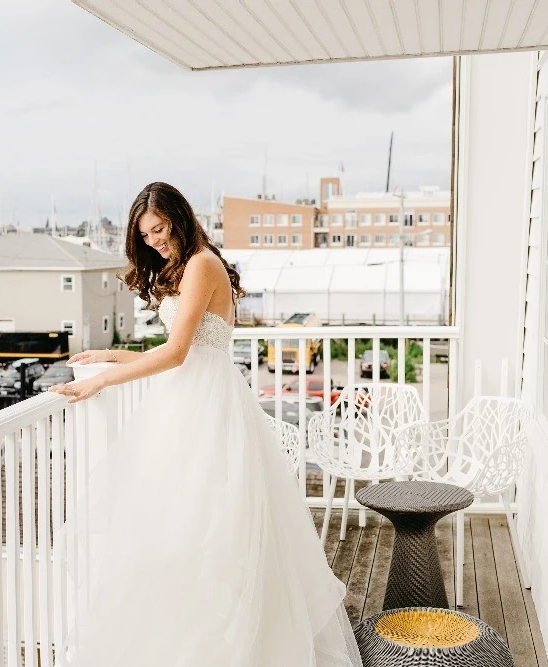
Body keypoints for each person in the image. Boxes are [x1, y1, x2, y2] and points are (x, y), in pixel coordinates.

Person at [50, 182, 362, 667]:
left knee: (210, 531)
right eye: (145, 234)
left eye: (158, 228)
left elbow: (177, 354)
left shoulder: (201, 264)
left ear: (177, 217)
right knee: (178, 529)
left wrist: (103, 380)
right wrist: (113, 354)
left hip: (206, 408)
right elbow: (182, 347)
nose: (153, 240)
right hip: (188, 402)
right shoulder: (190, 266)